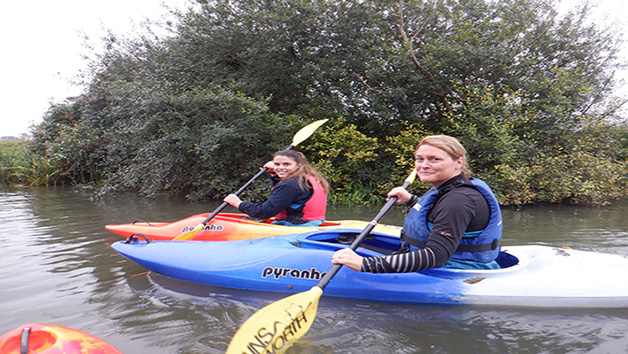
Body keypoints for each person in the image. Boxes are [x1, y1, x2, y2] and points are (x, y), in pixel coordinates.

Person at [332, 135, 502, 272]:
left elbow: (436, 256)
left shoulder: (458, 200)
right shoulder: (451, 189)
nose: (424, 165)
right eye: (419, 159)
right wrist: (411, 200)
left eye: (434, 159)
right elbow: (438, 215)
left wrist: (366, 264)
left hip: (455, 270)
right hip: (451, 263)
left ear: (458, 162)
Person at [224, 150, 329, 226]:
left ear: (298, 165)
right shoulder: (307, 178)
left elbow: (264, 213)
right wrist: (274, 173)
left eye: (286, 164)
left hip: (296, 226)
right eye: (277, 164)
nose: (280, 168)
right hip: (314, 223)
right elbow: (289, 193)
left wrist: (239, 204)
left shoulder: (290, 185)